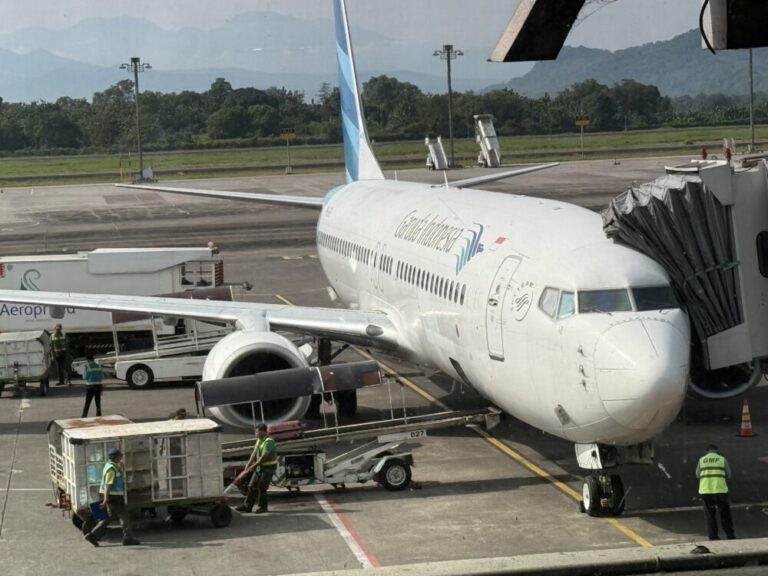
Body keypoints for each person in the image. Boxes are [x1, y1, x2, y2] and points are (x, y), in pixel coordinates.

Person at [84, 448, 140, 546]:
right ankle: (127, 538)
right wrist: (106, 499)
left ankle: (93, 535)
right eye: (120, 456)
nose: (121, 457)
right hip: (114, 497)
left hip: (113, 496)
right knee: (125, 517)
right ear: (116, 457)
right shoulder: (111, 469)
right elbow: (108, 485)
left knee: (110, 517)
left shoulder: (111, 465)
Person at [696, 443, 736, 540]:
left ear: (707, 451)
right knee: (725, 514)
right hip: (720, 490)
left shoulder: (702, 460)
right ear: (716, 450)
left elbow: (697, 474)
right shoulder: (722, 459)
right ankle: (730, 535)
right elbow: (728, 474)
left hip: (706, 491)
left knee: (710, 515)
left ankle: (713, 536)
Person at [237, 423, 277, 514]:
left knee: (262, 487)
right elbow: (254, 453)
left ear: (263, 431)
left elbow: (264, 456)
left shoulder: (268, 441)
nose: (255, 434)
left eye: (257, 432)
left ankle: (262, 507)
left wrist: (253, 466)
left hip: (268, 468)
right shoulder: (259, 440)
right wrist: (248, 465)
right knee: (251, 486)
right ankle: (247, 506)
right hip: (260, 468)